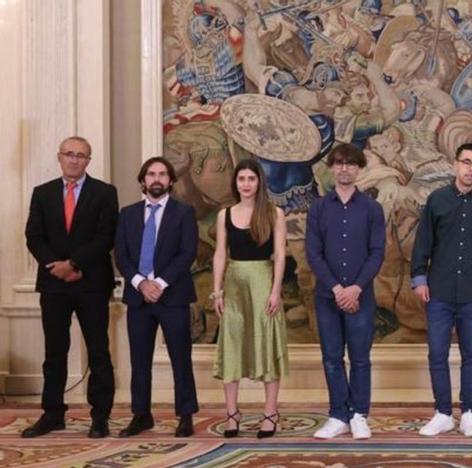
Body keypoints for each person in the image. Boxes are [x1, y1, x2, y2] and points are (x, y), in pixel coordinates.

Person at [22, 136, 118, 439]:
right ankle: (52, 414)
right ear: (59, 157)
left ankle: (100, 417)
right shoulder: (43, 193)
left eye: (81, 155)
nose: (75, 160)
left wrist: (74, 264)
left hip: (91, 283)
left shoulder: (105, 192)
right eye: (69, 154)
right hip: (53, 284)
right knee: (54, 351)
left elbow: (106, 237)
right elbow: (33, 235)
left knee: (99, 351)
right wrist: (57, 267)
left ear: (89, 161)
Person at [411, 143, 472, 437]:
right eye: (467, 162)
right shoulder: (437, 200)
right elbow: (422, 242)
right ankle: (442, 413)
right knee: (437, 353)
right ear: (455, 165)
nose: (471, 168)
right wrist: (419, 278)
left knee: (471, 354)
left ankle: (468, 413)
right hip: (438, 289)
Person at [113, 157, 199, 438]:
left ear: (171, 181)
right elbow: (121, 255)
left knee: (180, 357)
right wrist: (140, 283)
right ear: (143, 181)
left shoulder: (184, 213)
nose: (157, 179)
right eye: (151, 174)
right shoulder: (128, 214)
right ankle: (141, 415)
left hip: (172, 296)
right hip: (139, 298)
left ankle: (185, 415)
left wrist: (159, 284)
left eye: (163, 174)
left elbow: (187, 253)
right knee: (139, 360)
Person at [306, 145, 386, 440]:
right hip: (328, 297)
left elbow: (377, 253)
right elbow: (313, 254)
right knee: (331, 357)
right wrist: (338, 289)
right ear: (331, 168)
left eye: (351, 164)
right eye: (339, 163)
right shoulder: (318, 209)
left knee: (361, 358)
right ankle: (338, 414)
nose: (344, 169)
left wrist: (355, 288)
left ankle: (359, 415)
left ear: (359, 169)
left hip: (361, 296)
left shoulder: (372, 209)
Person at [212, 160, 289, 439]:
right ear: (235, 182)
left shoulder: (274, 213)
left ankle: (270, 413)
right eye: (241, 178)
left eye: (251, 179)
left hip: (262, 281)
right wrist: (217, 290)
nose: (246, 184)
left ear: (259, 183)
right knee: (232, 344)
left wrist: (275, 290)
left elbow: (280, 254)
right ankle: (232, 414)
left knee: (266, 344)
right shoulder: (225, 215)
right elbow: (220, 254)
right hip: (233, 283)